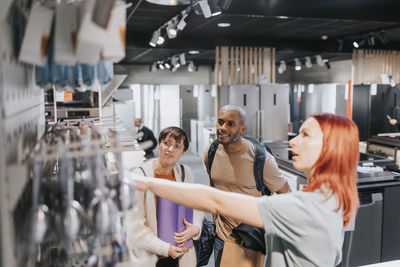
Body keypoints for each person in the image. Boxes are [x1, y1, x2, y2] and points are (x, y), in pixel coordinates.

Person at [132, 113, 360, 267]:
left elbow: (215, 201)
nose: (293, 141)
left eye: (306, 135)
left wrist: (149, 183)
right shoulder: (330, 199)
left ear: (331, 148)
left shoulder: (305, 207)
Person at [204, 105, 291, 267]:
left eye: (230, 124)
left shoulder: (261, 158)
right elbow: (213, 183)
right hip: (222, 237)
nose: (223, 128)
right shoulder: (211, 151)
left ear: (242, 128)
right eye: (220, 122)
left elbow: (286, 194)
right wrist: (215, 215)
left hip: (251, 240)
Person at [126, 126, 204, 267]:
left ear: (182, 152)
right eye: (166, 143)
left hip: (181, 255)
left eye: (177, 146)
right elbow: (135, 226)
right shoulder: (140, 176)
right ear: (160, 145)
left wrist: (196, 227)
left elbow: (197, 205)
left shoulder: (184, 173)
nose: (170, 149)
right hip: (152, 257)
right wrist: (164, 248)